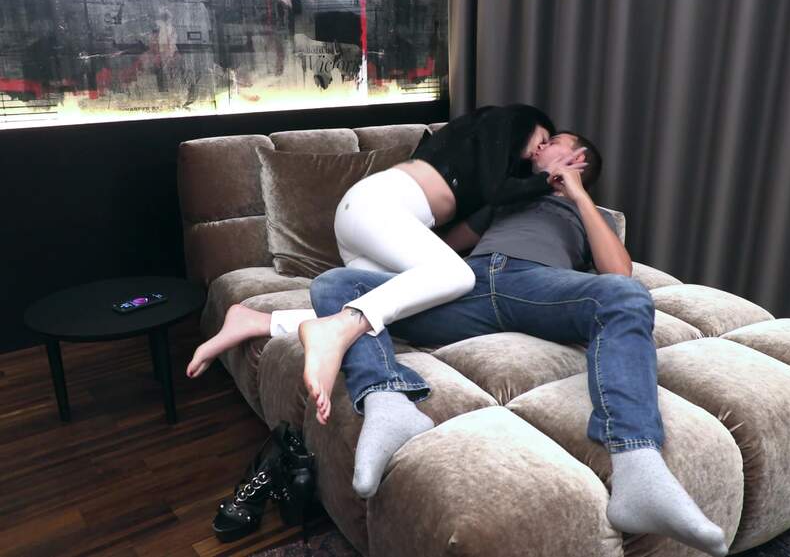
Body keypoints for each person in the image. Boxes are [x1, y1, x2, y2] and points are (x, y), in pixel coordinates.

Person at [187, 132, 729, 556]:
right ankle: (388, 403)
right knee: (336, 283)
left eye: (553, 143)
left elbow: (619, 272)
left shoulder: (592, 214)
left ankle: (637, 463)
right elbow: (438, 254)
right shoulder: (506, 199)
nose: (539, 148)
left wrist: (577, 194)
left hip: (535, 289)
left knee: (626, 298)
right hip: (466, 293)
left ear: (577, 157)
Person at [186, 104, 588, 385]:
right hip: (377, 206)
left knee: (390, 311)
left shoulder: (493, 177)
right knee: (458, 276)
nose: (545, 148)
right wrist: (547, 178)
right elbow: (498, 191)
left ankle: (256, 321)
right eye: (547, 137)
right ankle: (326, 338)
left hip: (372, 224)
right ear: (529, 122)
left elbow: (470, 224)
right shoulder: (503, 120)